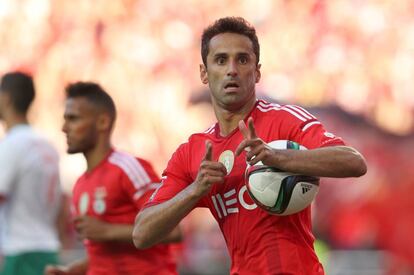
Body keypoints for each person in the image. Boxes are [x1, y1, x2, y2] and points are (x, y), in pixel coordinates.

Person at [133, 17, 367, 275]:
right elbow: (142, 233)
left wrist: (277, 157)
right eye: (221, 60)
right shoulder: (191, 153)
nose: (232, 69)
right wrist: (195, 190)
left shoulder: (284, 120)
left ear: (257, 72)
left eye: (242, 60)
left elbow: (353, 162)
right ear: (204, 72)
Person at [46, 82, 181, 275]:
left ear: (103, 122)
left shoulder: (128, 168)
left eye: (73, 119)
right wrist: (72, 271)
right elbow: (101, 255)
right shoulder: (80, 185)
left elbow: (174, 231)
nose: (64, 128)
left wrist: (107, 231)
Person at [0, 72, 63, 275]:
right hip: (48, 248)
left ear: (6, 97)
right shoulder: (47, 146)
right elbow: (61, 203)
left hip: (20, 253)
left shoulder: (11, 145)